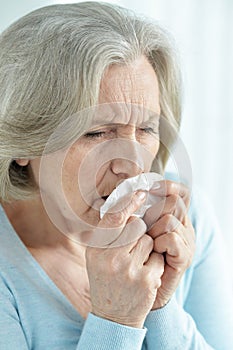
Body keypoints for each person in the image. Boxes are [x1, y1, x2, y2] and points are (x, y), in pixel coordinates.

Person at [0, 2, 232, 349]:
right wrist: (116, 320)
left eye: (146, 128)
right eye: (97, 133)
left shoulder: (185, 217)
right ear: (21, 144)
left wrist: (160, 306)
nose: (134, 164)